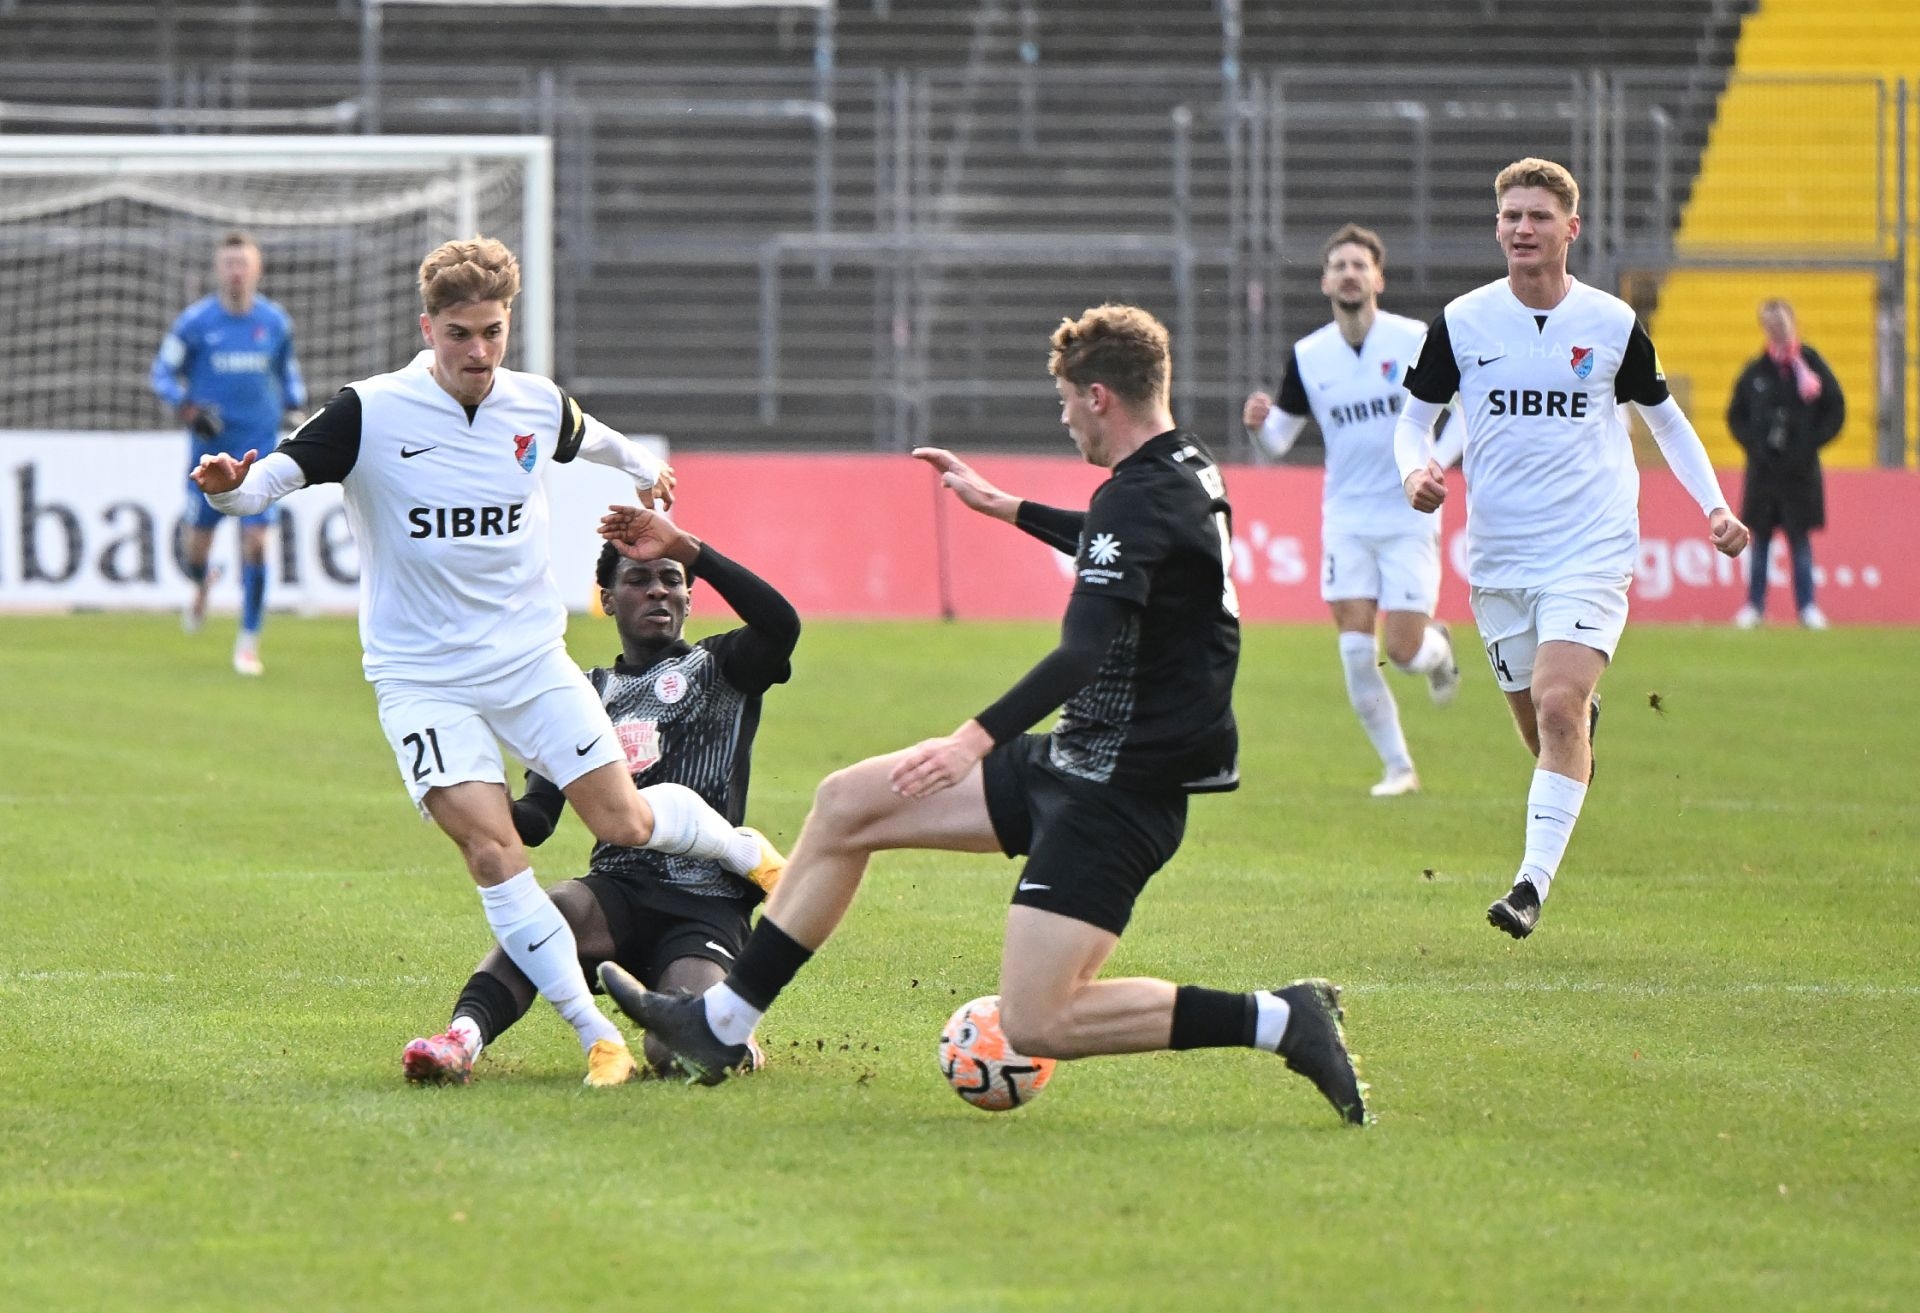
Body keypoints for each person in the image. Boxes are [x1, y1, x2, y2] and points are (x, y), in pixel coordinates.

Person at [596, 303, 1368, 1125]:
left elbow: (1080, 650)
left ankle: (1281, 1018)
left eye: (1068, 401)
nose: (1066, 418)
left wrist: (970, 741)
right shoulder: (1185, 467)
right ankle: (723, 1022)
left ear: (1099, 395)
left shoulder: (1138, 496)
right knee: (847, 802)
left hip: (1121, 792)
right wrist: (1009, 508)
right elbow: (1131, 540)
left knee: (1039, 1019)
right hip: (1080, 761)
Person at [191, 236, 785, 1087]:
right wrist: (225, 488)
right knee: (494, 853)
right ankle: (595, 1039)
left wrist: (645, 465)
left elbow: (591, 434)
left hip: (529, 662)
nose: (478, 352)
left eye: (493, 333)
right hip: (421, 678)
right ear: (426, 327)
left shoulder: (532, 404)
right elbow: (265, 485)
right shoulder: (369, 411)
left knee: (624, 820)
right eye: (460, 334)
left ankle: (738, 844)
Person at [1392, 158, 1750, 940]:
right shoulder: (1462, 322)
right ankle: (1580, 730)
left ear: (1570, 229)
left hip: (1590, 546)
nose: (1523, 228)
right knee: (1543, 730)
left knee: (1558, 707)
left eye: (1539, 216)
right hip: (1499, 559)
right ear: (1497, 228)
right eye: (1512, 216)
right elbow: (1413, 419)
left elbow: (1666, 421)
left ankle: (1528, 886)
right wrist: (1414, 469)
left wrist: (1715, 507)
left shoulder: (1612, 324)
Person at [403, 516, 800, 1083]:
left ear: (689, 597)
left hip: (705, 900)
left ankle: (732, 1036)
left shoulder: (722, 667)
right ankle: (460, 1042)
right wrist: (470, 792)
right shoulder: (583, 694)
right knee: (556, 907)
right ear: (607, 601)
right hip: (616, 893)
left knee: (674, 1058)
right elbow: (537, 819)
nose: (658, 589)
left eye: (672, 578)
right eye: (638, 580)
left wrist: (695, 551)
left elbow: (781, 624)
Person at [1242, 223, 1463, 798]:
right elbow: (1278, 444)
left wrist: (1435, 459)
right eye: (1339, 265)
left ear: (1377, 278)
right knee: (1356, 650)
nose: (1349, 273)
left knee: (1403, 651)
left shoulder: (1415, 339)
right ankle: (1399, 768)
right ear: (1324, 281)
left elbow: (1465, 409)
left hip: (1409, 514)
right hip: (1346, 518)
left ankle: (1439, 654)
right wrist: (1260, 426)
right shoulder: (1308, 356)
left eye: (1359, 265)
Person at [150, 230, 307, 675]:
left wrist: (295, 406)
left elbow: (287, 374)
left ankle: (248, 641)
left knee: (257, 543)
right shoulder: (195, 323)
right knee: (194, 552)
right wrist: (188, 409)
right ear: (218, 269)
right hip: (208, 457)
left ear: (257, 268)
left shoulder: (274, 322)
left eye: (244, 263)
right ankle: (202, 583)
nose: (236, 271)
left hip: (257, 454)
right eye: (229, 263)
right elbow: (161, 372)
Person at [1726, 299, 1845, 631]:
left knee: (1800, 542)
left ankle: (1807, 607)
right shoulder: (1756, 371)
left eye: (1781, 323)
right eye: (1770, 324)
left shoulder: (1810, 365)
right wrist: (1754, 444)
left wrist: (1810, 443)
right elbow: (1735, 415)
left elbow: (1835, 408)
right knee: (1760, 542)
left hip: (1799, 473)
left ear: (1792, 323)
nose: (1776, 329)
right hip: (1764, 474)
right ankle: (1755, 606)